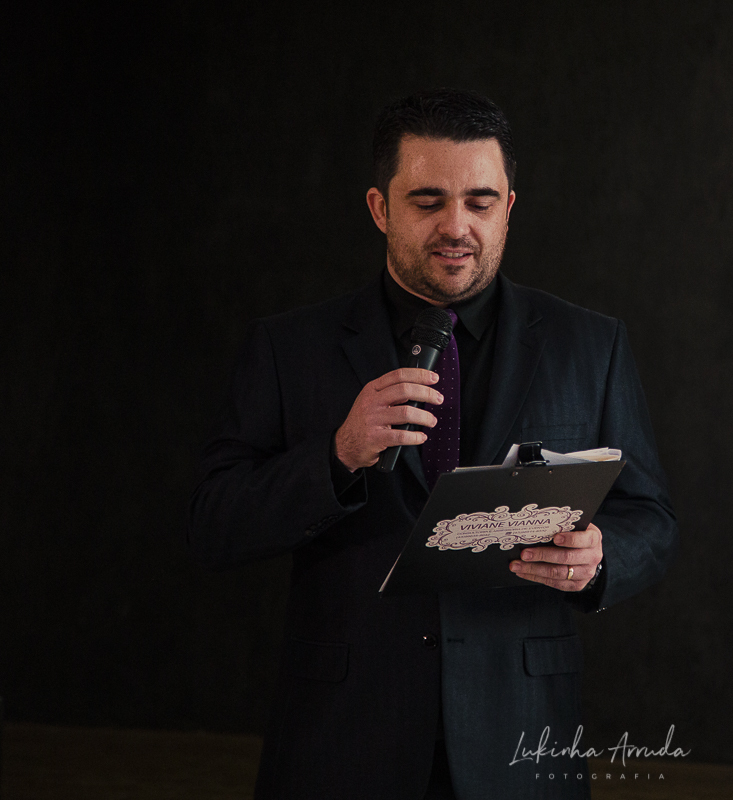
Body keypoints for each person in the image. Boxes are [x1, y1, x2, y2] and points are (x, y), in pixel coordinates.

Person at [188, 88, 679, 800]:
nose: (457, 226)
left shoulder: (590, 345)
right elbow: (212, 524)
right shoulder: (287, 348)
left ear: (509, 208)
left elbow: (652, 518)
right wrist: (337, 454)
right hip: (342, 737)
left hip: (521, 735)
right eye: (427, 201)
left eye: (480, 202)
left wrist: (602, 556)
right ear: (379, 208)